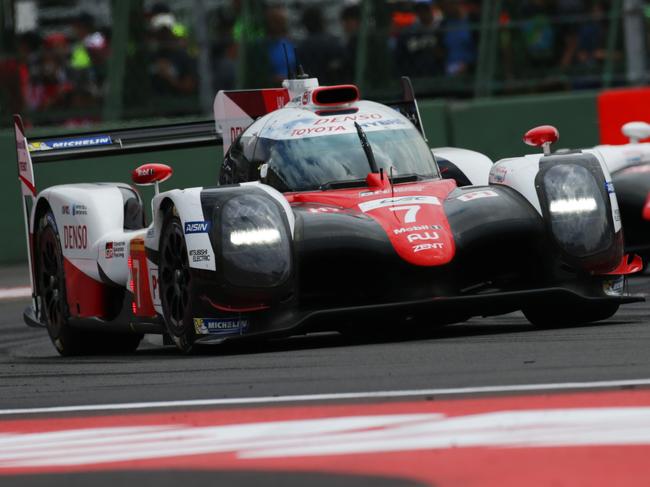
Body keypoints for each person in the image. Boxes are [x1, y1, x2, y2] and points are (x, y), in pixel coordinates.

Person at [394, 0, 444, 78]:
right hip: (416, 75)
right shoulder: (409, 32)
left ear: (432, 9)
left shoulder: (442, 27)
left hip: (438, 73)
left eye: (426, 9)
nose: (423, 13)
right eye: (420, 10)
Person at [298, 6, 345, 84]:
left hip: (311, 88)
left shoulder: (302, 46)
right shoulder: (333, 42)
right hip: (333, 88)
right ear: (322, 21)